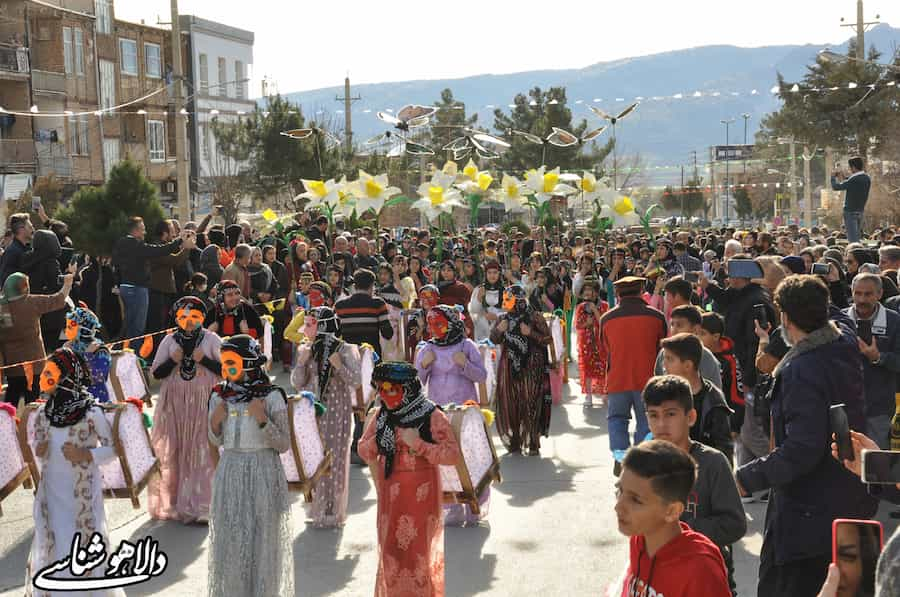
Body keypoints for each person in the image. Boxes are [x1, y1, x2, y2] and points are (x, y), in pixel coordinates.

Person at [736, 275, 878, 597]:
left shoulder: (801, 368)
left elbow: (802, 448)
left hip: (808, 514)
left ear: (785, 317)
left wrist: (745, 478)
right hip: (848, 497)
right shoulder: (842, 344)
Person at [26, 347, 125, 597]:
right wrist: (40, 447)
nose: (42, 377)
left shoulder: (91, 412)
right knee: (57, 542)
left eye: (49, 372)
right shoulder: (43, 412)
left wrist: (86, 454)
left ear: (67, 377)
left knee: (82, 543)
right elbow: (36, 445)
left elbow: (114, 449)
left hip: (82, 497)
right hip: (53, 494)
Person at [358, 361, 461, 597]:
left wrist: (419, 444)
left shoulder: (431, 415)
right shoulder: (382, 416)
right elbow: (363, 449)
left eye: (391, 389)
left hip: (421, 501)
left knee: (418, 557)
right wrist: (385, 441)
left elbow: (452, 455)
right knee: (391, 553)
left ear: (408, 389)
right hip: (390, 498)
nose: (384, 395)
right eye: (381, 389)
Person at [642, 375, 747, 593]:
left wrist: (682, 532)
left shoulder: (712, 463)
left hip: (705, 580)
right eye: (654, 415)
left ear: (690, 417)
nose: (661, 424)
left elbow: (734, 524)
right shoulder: (642, 463)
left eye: (670, 414)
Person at [207, 335, 293, 597]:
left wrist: (263, 421)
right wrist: (215, 421)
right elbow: (214, 440)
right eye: (223, 363)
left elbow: (284, 444)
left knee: (262, 538)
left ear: (248, 363)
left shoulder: (272, 396)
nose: (226, 369)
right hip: (231, 470)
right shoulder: (220, 395)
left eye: (231, 363)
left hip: (263, 471)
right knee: (232, 539)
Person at [614, 440, 732, 597]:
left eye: (636, 500)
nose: (618, 507)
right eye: (620, 491)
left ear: (672, 511)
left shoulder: (700, 570)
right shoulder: (639, 539)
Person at [149, 297, 222, 523]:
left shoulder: (211, 339)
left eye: (194, 317)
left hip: (203, 404)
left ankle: (204, 504)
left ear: (202, 317)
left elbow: (229, 370)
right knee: (176, 449)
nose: (188, 321)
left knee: (202, 449)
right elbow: (156, 373)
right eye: (183, 317)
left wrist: (207, 361)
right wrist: (172, 360)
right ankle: (174, 501)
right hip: (176, 407)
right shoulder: (170, 340)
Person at [291, 306, 361, 528]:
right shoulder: (306, 349)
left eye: (310, 324)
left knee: (335, 458)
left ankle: (333, 509)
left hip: (337, 411)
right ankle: (317, 507)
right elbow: (296, 382)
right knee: (313, 457)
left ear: (322, 326)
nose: (305, 329)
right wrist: (301, 362)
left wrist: (339, 365)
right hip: (312, 413)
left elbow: (356, 381)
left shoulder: (345, 349)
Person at [600, 276, 668, 474]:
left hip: (617, 379)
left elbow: (606, 349)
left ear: (619, 294)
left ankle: (621, 458)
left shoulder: (607, 319)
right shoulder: (656, 317)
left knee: (617, 419)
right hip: (648, 380)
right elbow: (662, 349)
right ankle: (640, 460)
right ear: (641, 291)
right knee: (647, 422)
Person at [491, 285, 553, 456]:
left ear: (519, 300)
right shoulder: (503, 318)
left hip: (532, 366)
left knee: (531, 401)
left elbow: (548, 339)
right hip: (509, 366)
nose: (504, 302)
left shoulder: (534, 316)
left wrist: (530, 333)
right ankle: (516, 440)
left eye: (508, 299)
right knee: (511, 403)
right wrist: (499, 330)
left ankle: (533, 441)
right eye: (504, 298)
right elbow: (493, 339)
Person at [843, 273, 900, 449]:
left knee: (876, 464)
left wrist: (877, 357)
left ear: (879, 294)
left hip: (879, 409)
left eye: (868, 294)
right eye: (858, 293)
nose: (862, 299)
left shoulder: (895, 321)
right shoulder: (840, 321)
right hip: (845, 407)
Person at [112, 217, 187, 350]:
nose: (145, 232)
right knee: (137, 327)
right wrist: (180, 241)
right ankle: (133, 356)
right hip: (137, 288)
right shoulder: (135, 244)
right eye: (143, 229)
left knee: (130, 325)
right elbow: (157, 251)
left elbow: (116, 265)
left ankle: (126, 353)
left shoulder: (121, 243)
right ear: (136, 230)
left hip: (125, 286)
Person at [0, 272, 74, 405]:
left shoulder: (2, 307)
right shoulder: (31, 302)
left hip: (12, 366)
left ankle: (7, 424)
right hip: (34, 365)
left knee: (10, 403)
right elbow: (58, 300)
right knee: (32, 404)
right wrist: (67, 284)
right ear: (24, 287)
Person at [660, 333, 734, 463]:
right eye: (664, 359)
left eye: (669, 359)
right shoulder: (663, 393)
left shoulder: (713, 402)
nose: (664, 365)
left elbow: (724, 453)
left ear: (688, 365)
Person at [653, 305, 723, 390]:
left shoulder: (706, 357)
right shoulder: (664, 352)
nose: (674, 330)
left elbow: (713, 394)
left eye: (679, 325)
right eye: (672, 324)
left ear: (696, 329)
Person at [698, 311, 746, 437]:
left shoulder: (729, 360)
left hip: (719, 420)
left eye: (702, 334)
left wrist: (734, 425)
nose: (697, 338)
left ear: (716, 336)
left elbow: (737, 393)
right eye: (695, 333)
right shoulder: (694, 355)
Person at [334, 269, 393, 357]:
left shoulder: (340, 305)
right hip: (372, 356)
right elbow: (388, 334)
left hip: (348, 356)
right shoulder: (378, 303)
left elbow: (336, 334)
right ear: (372, 285)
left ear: (354, 286)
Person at [63, 306, 112, 403]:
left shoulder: (100, 350)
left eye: (71, 326)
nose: (66, 330)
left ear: (84, 329)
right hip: (72, 401)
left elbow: (98, 378)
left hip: (95, 401)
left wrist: (88, 355)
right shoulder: (69, 346)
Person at [574, 277, 608, 407]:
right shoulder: (581, 307)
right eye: (585, 290)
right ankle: (588, 395)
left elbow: (604, 323)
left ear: (596, 292)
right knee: (587, 369)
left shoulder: (604, 305)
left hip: (601, 343)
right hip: (586, 343)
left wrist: (594, 310)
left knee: (603, 366)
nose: (588, 293)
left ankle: (605, 393)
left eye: (591, 290)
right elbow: (577, 325)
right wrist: (585, 324)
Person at [831, 157, 871, 243]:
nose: (849, 169)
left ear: (853, 167)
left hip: (850, 211)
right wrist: (843, 177)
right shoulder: (866, 178)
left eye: (849, 167)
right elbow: (851, 183)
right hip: (860, 211)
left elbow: (836, 187)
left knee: (853, 240)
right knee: (857, 238)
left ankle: (855, 254)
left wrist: (833, 177)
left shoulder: (854, 179)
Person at [468, 260, 505, 342]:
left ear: (499, 274)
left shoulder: (505, 291)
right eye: (489, 273)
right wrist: (478, 298)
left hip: (498, 330)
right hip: (481, 329)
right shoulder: (479, 289)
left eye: (495, 272)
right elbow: (473, 310)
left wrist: (497, 316)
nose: (492, 275)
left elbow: (509, 311)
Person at [0, 212, 34, 284]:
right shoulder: (12, 252)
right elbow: (7, 282)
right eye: (30, 227)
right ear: (21, 229)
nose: (33, 230)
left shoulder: (27, 248)